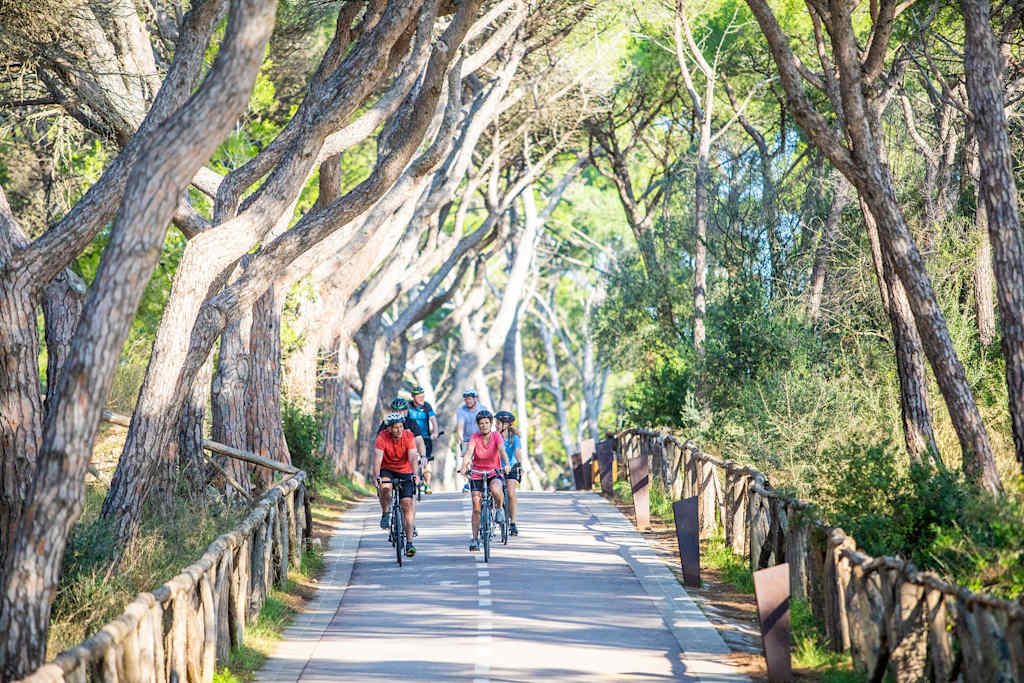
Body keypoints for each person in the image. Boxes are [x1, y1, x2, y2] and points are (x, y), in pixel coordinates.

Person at [460, 410, 508, 551]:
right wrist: (464, 467)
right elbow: (469, 453)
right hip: (477, 473)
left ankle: (499, 509)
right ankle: (475, 539)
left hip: (494, 472)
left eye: (487, 423)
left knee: (495, 489)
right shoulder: (475, 437)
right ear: (478, 425)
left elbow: (502, 450)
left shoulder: (496, 436)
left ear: (491, 423)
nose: (484, 426)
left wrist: (507, 465)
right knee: (476, 507)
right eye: (481, 423)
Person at [372, 413, 418, 557]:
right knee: (385, 488)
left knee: (407, 505)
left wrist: (415, 474)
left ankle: (409, 543)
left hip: (405, 471)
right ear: (389, 428)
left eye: (401, 427)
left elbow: (412, 457)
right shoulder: (382, 437)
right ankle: (386, 513)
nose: (399, 430)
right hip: (387, 469)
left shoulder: (409, 436)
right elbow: (378, 459)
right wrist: (376, 476)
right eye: (395, 428)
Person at [455, 390, 489, 492]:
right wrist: (459, 436)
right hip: (467, 439)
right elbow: (460, 426)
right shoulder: (461, 410)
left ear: (475, 399)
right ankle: (468, 482)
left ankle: (486, 479)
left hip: (481, 438)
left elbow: (487, 424)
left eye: (469, 399)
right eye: (465, 399)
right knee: (467, 459)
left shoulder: (482, 409)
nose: (467, 401)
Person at [495, 410, 522, 536]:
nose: (496, 425)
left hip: (510, 467)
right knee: (495, 490)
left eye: (499, 423)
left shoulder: (514, 438)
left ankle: (513, 523)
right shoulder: (494, 436)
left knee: (511, 493)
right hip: (496, 468)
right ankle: (495, 513)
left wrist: (520, 464)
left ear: (506, 425)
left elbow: (517, 452)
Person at [406, 386, 438, 494]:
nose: (421, 399)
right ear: (413, 397)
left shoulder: (427, 406)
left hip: (425, 437)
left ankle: (427, 484)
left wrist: (435, 432)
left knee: (426, 461)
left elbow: (433, 419)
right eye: (419, 397)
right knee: (410, 458)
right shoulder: (408, 406)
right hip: (411, 437)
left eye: (423, 397)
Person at [378, 397, 426, 462]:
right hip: (390, 457)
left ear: (405, 411)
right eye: (395, 410)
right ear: (392, 411)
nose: (397, 413)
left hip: (408, 456)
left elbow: (419, 440)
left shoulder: (411, 423)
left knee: (424, 466)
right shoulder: (386, 423)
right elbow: (379, 440)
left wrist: (423, 456)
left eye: (400, 411)